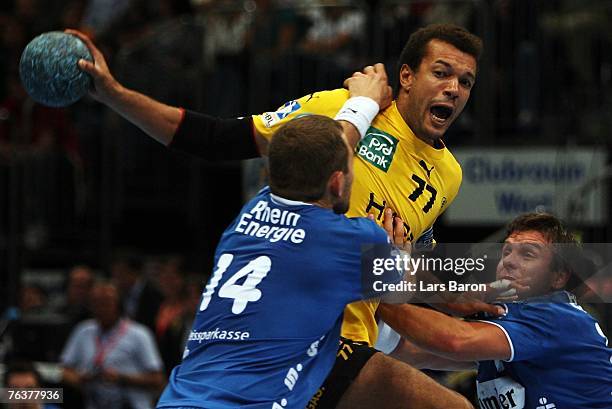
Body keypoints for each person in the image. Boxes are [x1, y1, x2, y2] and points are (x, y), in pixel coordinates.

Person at [66, 23, 489, 408]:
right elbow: (215, 139)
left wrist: (457, 289)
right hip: (313, 344)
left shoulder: (448, 175)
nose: (454, 88)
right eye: (442, 72)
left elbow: (410, 267)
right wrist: (115, 95)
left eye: (465, 82)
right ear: (407, 76)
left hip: (345, 342)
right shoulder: (341, 107)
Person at [377, 213, 612, 409]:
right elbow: (410, 350)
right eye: (507, 251)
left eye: (528, 254)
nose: (509, 261)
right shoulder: (505, 324)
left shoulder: (558, 315)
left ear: (558, 277)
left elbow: (454, 341)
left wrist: (373, 291)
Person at [61, 282, 165, 409]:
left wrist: (121, 378)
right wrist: (81, 378)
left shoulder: (139, 334)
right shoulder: (83, 331)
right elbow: (64, 371)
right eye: (96, 303)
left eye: (106, 303)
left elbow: (158, 380)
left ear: (118, 305)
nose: (101, 308)